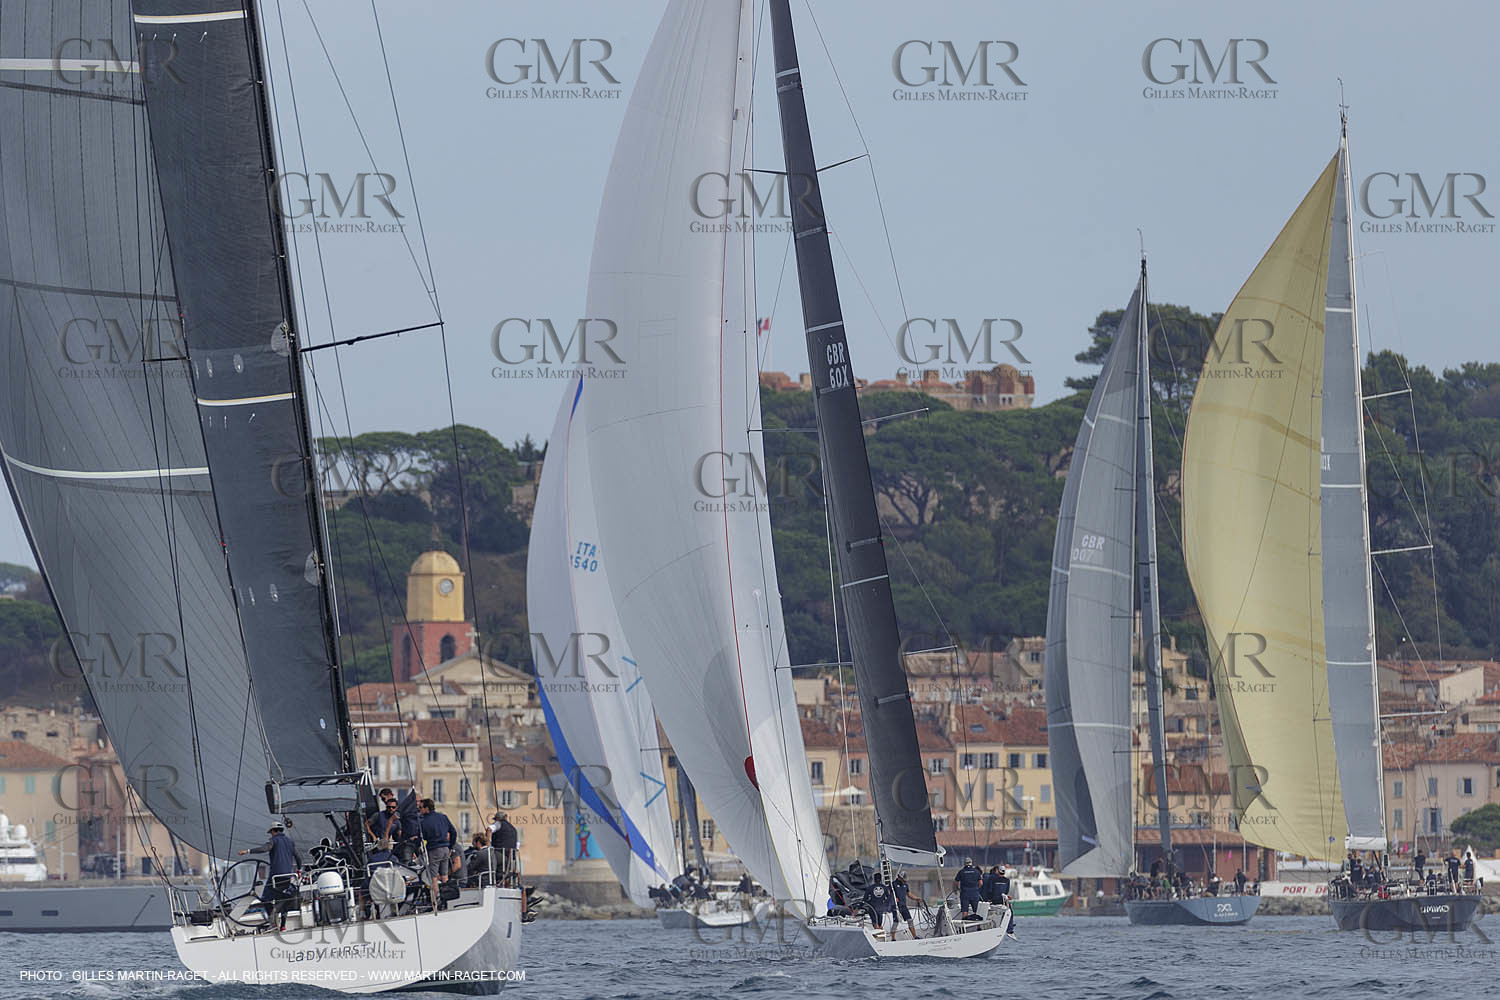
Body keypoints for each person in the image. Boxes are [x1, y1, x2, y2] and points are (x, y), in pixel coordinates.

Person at [239, 822, 301, 929]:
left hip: (275, 877)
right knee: (283, 898)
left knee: (265, 899)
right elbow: (298, 858)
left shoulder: (274, 841)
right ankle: (282, 925)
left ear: (273, 831)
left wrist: (248, 851)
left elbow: (264, 849)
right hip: (288, 876)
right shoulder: (290, 842)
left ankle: (273, 922)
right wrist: (299, 869)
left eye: (271, 832)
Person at [418, 798, 458, 909]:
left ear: (426, 808)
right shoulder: (443, 817)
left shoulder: (423, 822)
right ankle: (447, 901)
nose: (419, 809)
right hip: (445, 848)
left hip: (434, 849)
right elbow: (453, 832)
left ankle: (436, 902)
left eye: (420, 807)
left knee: (433, 877)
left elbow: (421, 837)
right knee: (445, 875)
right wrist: (451, 846)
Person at [892, 872, 919, 939]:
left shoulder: (905, 885)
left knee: (910, 920)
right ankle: (893, 938)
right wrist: (894, 898)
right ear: (899, 878)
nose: (905, 881)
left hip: (903, 906)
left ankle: (915, 936)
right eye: (904, 880)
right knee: (896, 922)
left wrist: (917, 898)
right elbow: (888, 894)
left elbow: (909, 894)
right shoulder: (893, 884)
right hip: (896, 907)